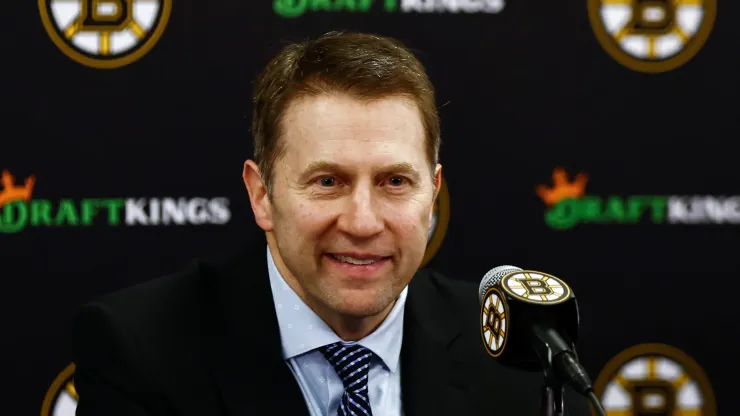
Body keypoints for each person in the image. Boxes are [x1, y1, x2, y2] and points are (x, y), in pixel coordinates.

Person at [72, 31, 591, 415]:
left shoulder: (513, 353)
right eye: (327, 181)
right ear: (262, 195)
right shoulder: (142, 347)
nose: (363, 223)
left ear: (432, 196)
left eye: (394, 182)